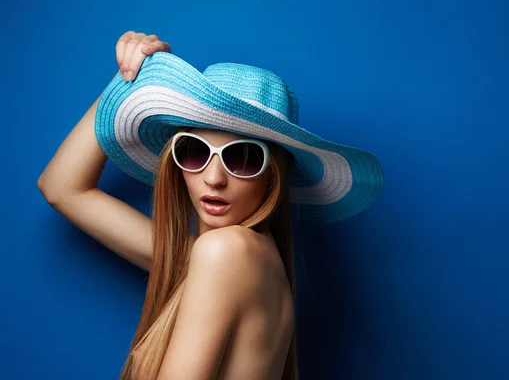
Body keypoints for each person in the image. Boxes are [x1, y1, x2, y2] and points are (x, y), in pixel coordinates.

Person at [38, 31, 384, 380]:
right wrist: (132, 77)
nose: (214, 178)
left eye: (243, 157)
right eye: (194, 152)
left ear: (273, 175)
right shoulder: (223, 256)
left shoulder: (225, 252)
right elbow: (61, 188)